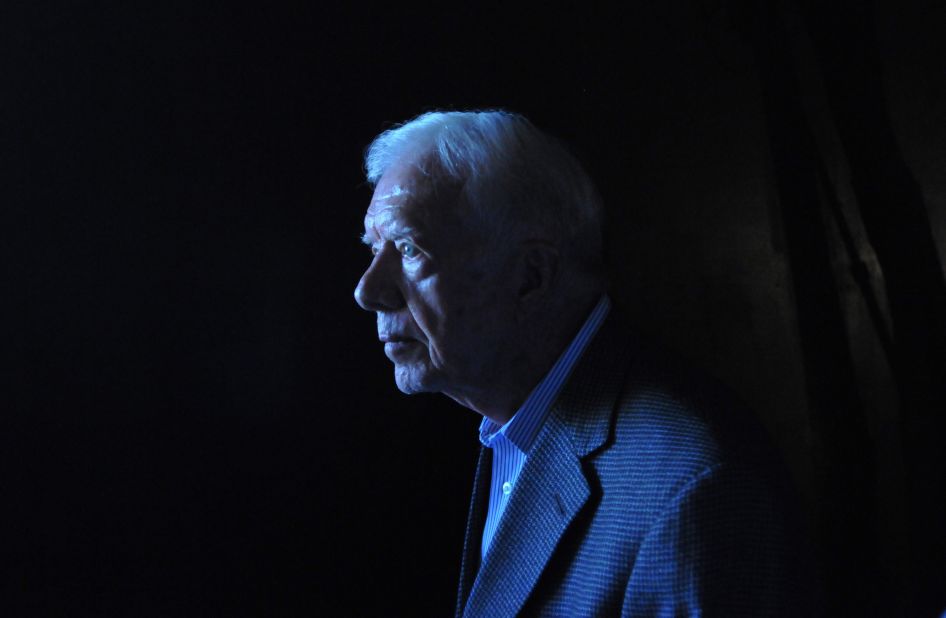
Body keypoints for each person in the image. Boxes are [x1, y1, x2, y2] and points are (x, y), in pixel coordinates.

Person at [353, 110, 810, 617]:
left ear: (530, 277)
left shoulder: (695, 491)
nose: (368, 291)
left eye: (411, 249)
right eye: (374, 250)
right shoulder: (515, 420)